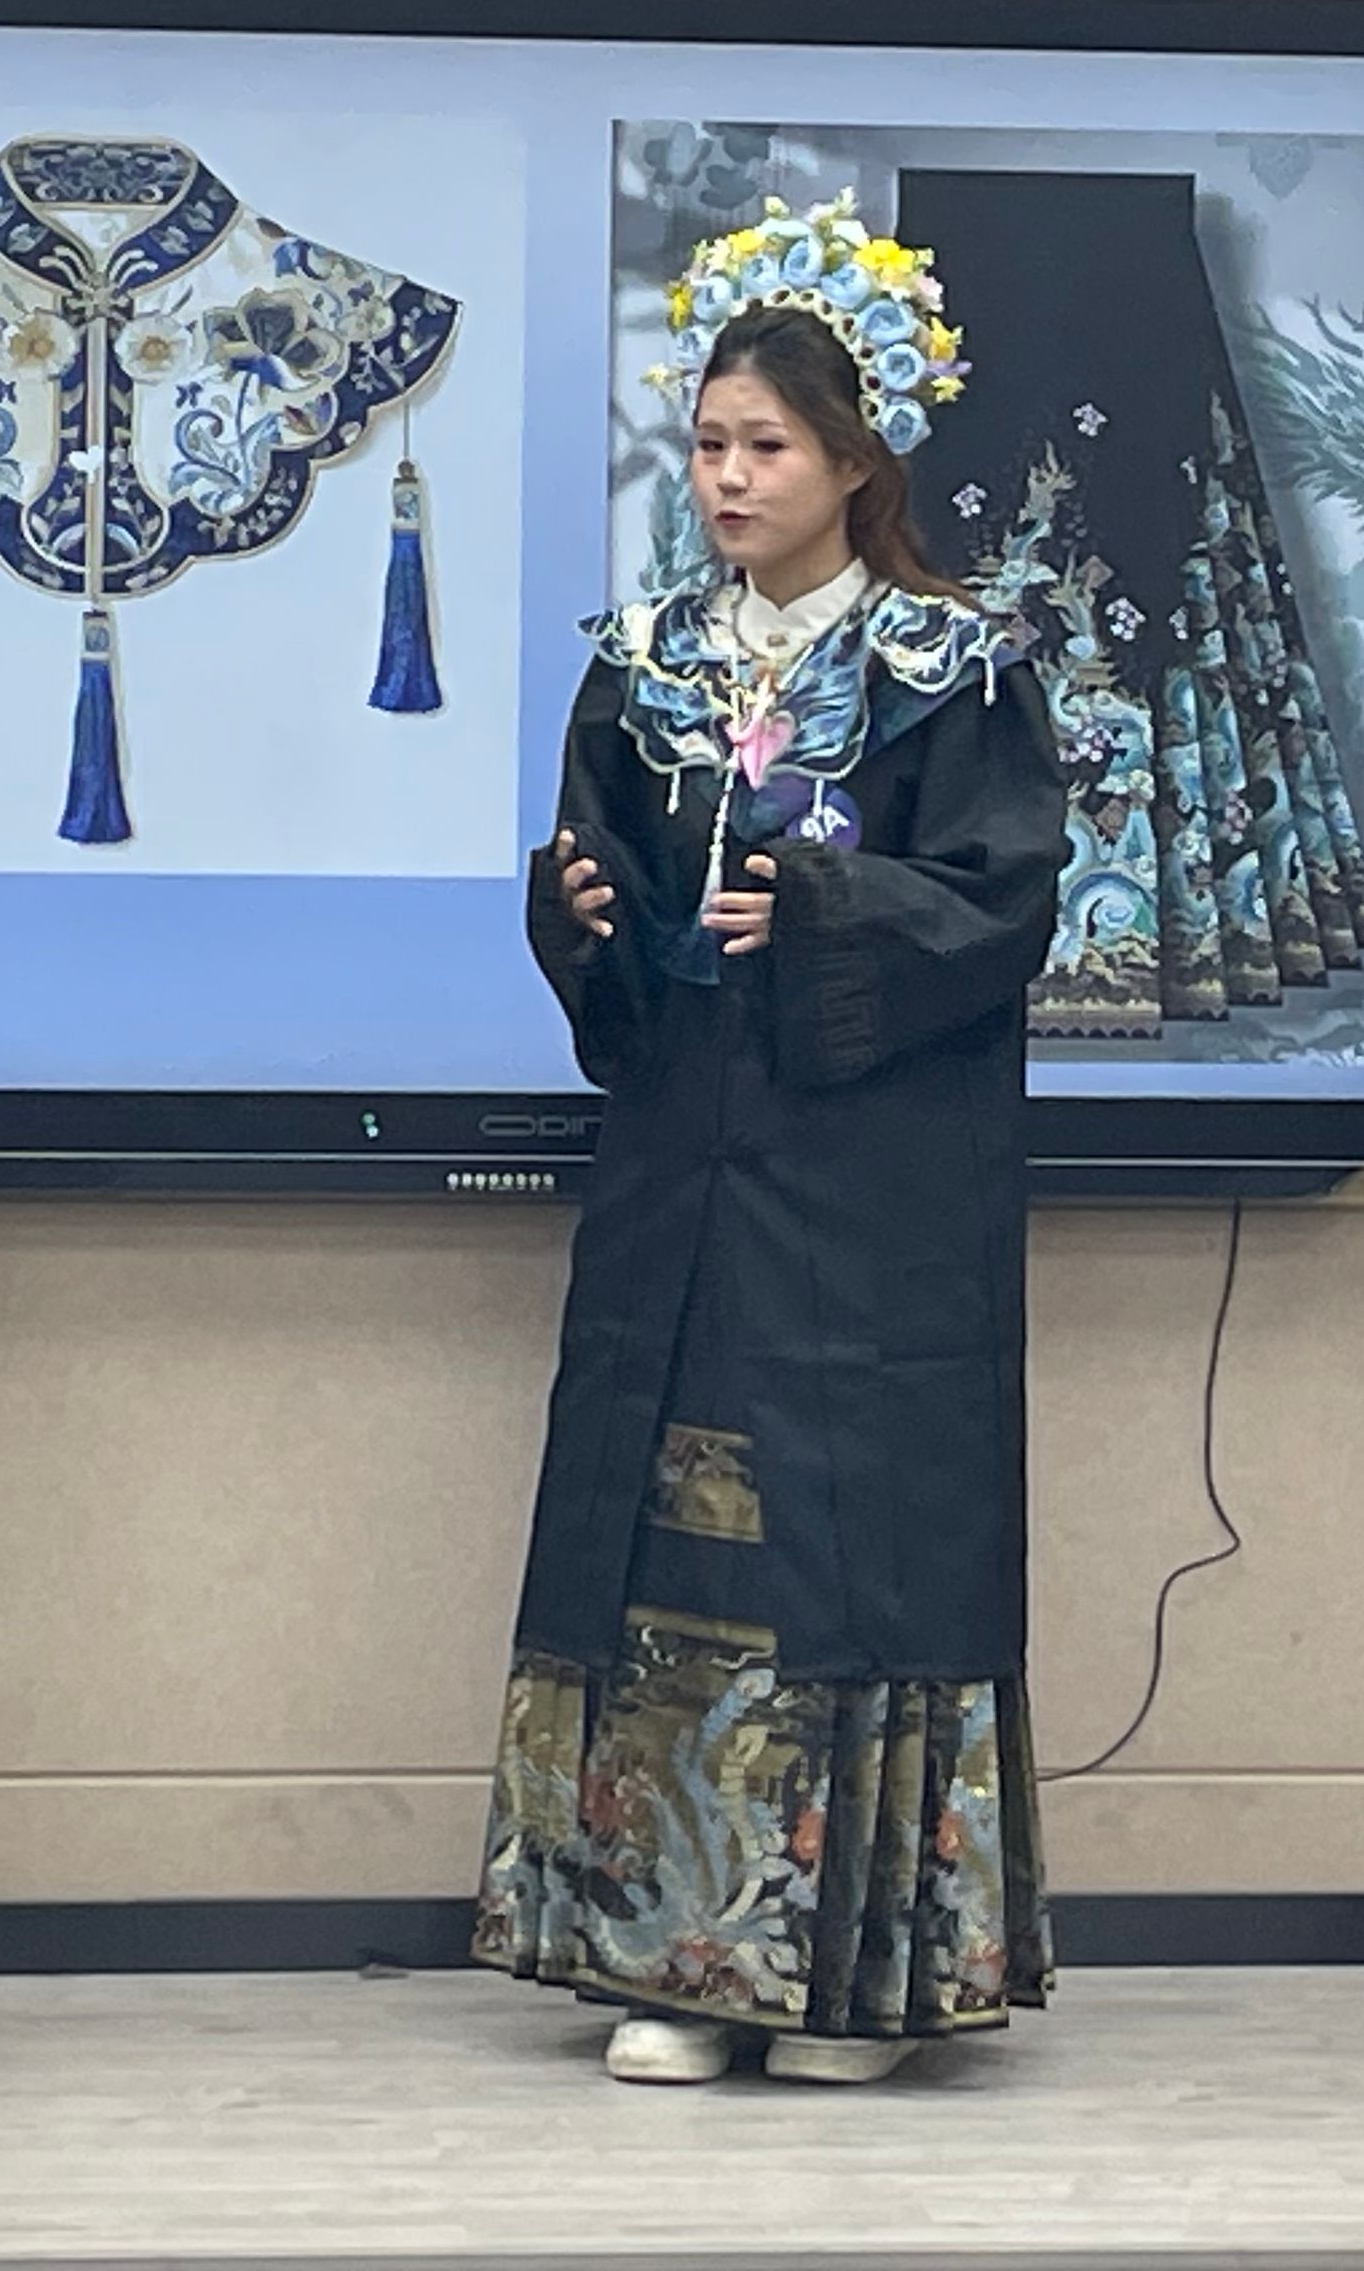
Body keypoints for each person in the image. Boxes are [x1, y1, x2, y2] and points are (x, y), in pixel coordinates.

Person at [473, 199, 1067, 2086]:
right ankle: (673, 1960)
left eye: (769, 447)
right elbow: (609, 903)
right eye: (712, 444)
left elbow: (1005, 908)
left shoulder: (956, 669)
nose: (729, 478)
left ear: (858, 461)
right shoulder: (643, 664)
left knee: (854, 1548)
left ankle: (855, 1981)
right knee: (671, 1534)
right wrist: (580, 917)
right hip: (685, 1171)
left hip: (877, 1193)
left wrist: (824, 909)